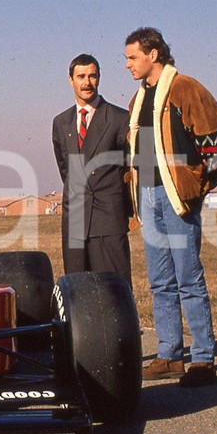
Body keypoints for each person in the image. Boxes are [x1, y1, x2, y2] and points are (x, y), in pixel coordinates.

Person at [125, 27, 217, 388]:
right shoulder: (138, 99)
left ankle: (202, 360)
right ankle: (169, 355)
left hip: (175, 198)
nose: (128, 65)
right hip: (148, 197)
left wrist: (196, 189)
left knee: (188, 278)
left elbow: (215, 138)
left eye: (132, 57)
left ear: (153, 54)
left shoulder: (186, 88)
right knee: (160, 282)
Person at [52, 53, 133, 286]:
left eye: (92, 76)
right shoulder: (61, 122)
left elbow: (130, 169)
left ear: (99, 78)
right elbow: (65, 169)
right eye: (81, 76)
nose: (87, 82)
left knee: (114, 291)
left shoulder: (119, 119)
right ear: (71, 80)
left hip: (108, 218)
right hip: (75, 220)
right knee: (78, 293)